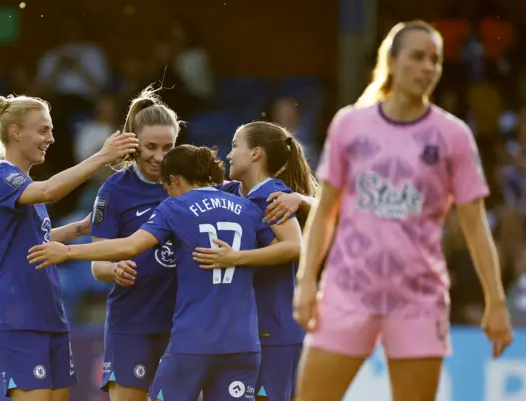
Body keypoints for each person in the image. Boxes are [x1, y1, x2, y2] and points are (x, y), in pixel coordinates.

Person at [292, 21, 514, 401]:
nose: (428, 67)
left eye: (435, 60)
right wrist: (307, 280)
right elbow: (325, 211)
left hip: (419, 300)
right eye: (417, 57)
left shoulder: (454, 136)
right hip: (348, 292)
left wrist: (496, 301)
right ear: (391, 62)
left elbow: (475, 227)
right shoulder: (350, 124)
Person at [28, 145, 281, 401]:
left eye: (165, 186)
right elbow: (281, 251)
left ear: (173, 180)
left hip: (193, 341)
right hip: (244, 343)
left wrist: (68, 253)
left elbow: (130, 245)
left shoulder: (175, 207)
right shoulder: (248, 208)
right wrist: (240, 258)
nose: (166, 193)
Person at [0, 94, 137, 401]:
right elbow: (50, 191)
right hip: (18, 317)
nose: (50, 139)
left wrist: (81, 227)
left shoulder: (23, 184)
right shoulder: (1, 180)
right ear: (15, 132)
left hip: (49, 315)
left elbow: (39, 239)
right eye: (42, 130)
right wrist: (102, 157)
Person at [193, 121, 316, 401]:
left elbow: (294, 246)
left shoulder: (274, 196)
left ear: (255, 153)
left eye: (235, 146)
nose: (228, 154)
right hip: (241, 331)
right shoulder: (232, 194)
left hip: (274, 329)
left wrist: (236, 258)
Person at [89, 87, 181, 401]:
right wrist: (113, 269)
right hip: (132, 323)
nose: (159, 156)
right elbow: (97, 264)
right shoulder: (114, 191)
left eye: (168, 147)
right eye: (151, 147)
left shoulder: (189, 183)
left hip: (183, 323)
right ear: (133, 143)